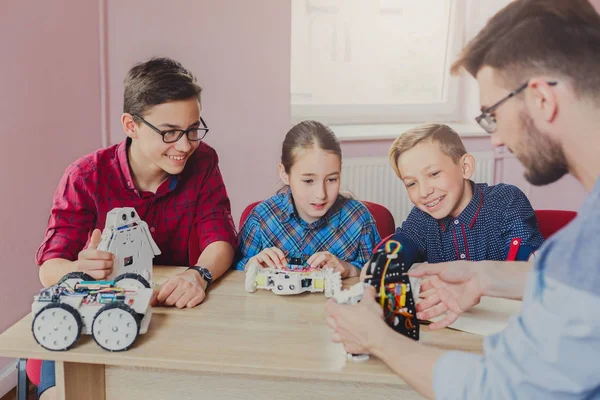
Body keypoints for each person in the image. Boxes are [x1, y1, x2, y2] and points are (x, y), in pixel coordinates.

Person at [326, 1, 600, 398]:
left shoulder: (580, 248)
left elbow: (501, 390)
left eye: (492, 115)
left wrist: (377, 339)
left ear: (541, 98)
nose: (497, 139)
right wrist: (485, 276)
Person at [35, 57, 237, 399]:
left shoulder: (203, 163)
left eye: (192, 129)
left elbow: (220, 238)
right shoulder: (85, 177)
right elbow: (49, 267)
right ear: (131, 125)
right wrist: (77, 269)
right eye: (170, 132)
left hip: (170, 319)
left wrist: (198, 274)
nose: (185, 145)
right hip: (101, 313)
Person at [234, 120, 381, 278]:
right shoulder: (262, 219)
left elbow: (379, 273)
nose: (321, 194)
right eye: (308, 181)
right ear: (285, 174)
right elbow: (234, 270)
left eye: (331, 179)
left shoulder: (359, 219)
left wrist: (350, 269)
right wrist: (251, 266)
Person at [382, 123, 543, 263]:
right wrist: (379, 266)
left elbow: (527, 269)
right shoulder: (422, 217)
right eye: (411, 183)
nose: (424, 192)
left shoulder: (506, 201)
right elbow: (393, 251)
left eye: (434, 174)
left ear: (465, 167)